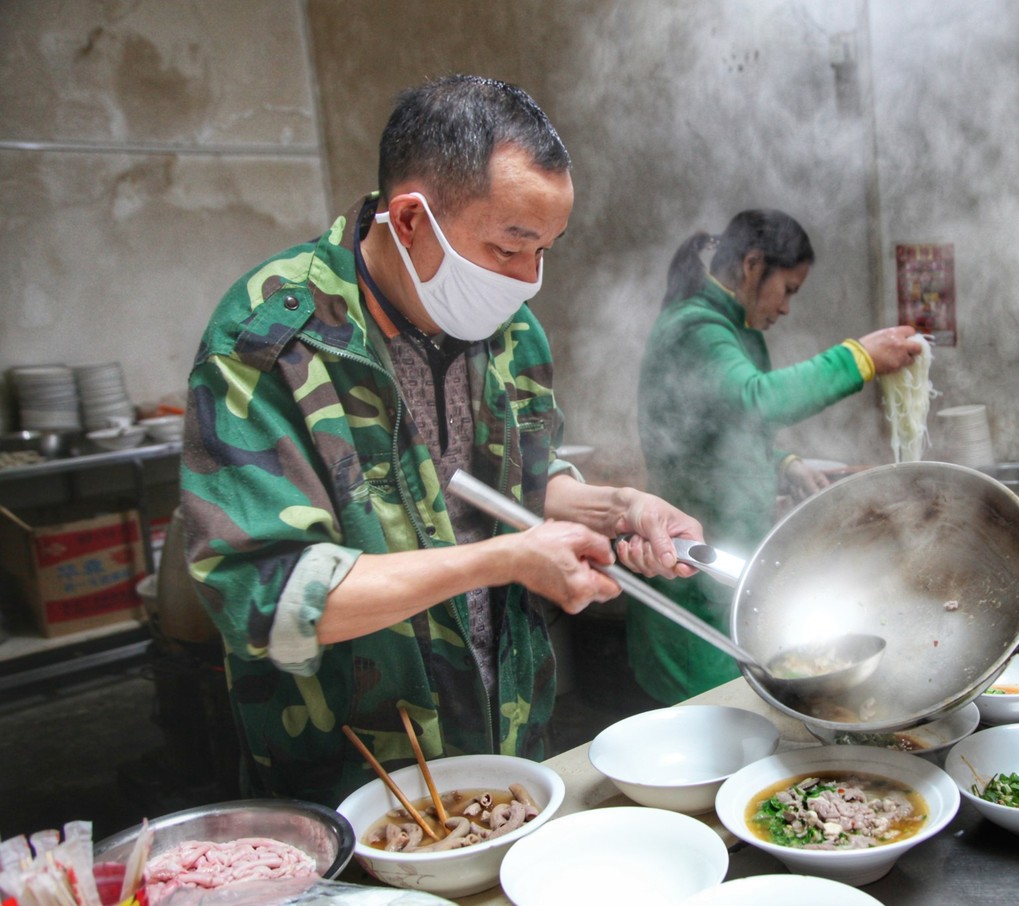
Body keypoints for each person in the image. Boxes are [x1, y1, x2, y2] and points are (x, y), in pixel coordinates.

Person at [179, 74, 701, 807]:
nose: (528, 282)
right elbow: (269, 598)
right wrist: (507, 558)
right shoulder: (274, 340)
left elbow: (527, 479)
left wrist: (618, 509)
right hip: (360, 771)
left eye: (546, 249)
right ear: (411, 219)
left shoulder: (508, 330)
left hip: (509, 738)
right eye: (509, 247)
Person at [629, 210, 923, 704]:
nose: (787, 308)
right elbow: (754, 399)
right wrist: (860, 358)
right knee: (711, 724)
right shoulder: (694, 328)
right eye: (788, 289)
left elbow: (726, 428)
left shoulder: (736, 329)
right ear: (751, 264)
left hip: (728, 565)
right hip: (691, 574)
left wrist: (783, 464)